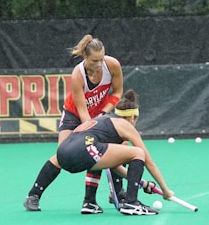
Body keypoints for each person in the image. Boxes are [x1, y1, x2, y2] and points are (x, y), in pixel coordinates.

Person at [24, 89, 174, 215]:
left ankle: (35, 195)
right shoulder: (125, 125)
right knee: (137, 153)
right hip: (85, 152)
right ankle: (132, 203)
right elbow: (149, 162)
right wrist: (165, 190)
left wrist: (143, 183)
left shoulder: (101, 121)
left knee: (101, 154)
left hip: (63, 153)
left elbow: (113, 164)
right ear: (132, 117)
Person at [24, 34, 124, 214]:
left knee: (103, 151)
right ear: (86, 57)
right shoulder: (78, 75)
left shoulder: (112, 65)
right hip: (75, 114)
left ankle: (101, 197)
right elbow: (82, 110)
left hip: (100, 114)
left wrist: (104, 113)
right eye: (95, 60)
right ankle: (33, 195)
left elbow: (117, 92)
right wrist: (93, 129)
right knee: (64, 155)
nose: (99, 64)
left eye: (102, 59)